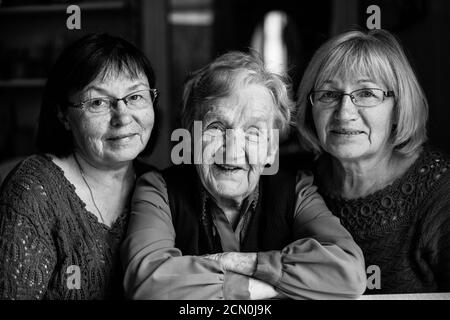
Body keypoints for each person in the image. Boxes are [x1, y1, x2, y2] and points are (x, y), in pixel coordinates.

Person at [121, 51, 366, 300]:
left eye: (253, 132)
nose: (233, 148)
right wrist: (254, 289)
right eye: (216, 127)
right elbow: (147, 282)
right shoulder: (157, 189)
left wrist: (237, 262)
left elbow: (348, 272)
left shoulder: (296, 189)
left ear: (271, 149)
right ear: (190, 138)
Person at [0, 33, 158, 299]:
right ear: (63, 114)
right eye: (97, 102)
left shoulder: (158, 186)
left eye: (135, 97)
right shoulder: (34, 190)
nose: (122, 117)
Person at [296, 29, 450, 294]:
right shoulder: (294, 182)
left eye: (366, 93)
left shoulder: (440, 192)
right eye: (329, 94)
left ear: (398, 108)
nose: (344, 113)